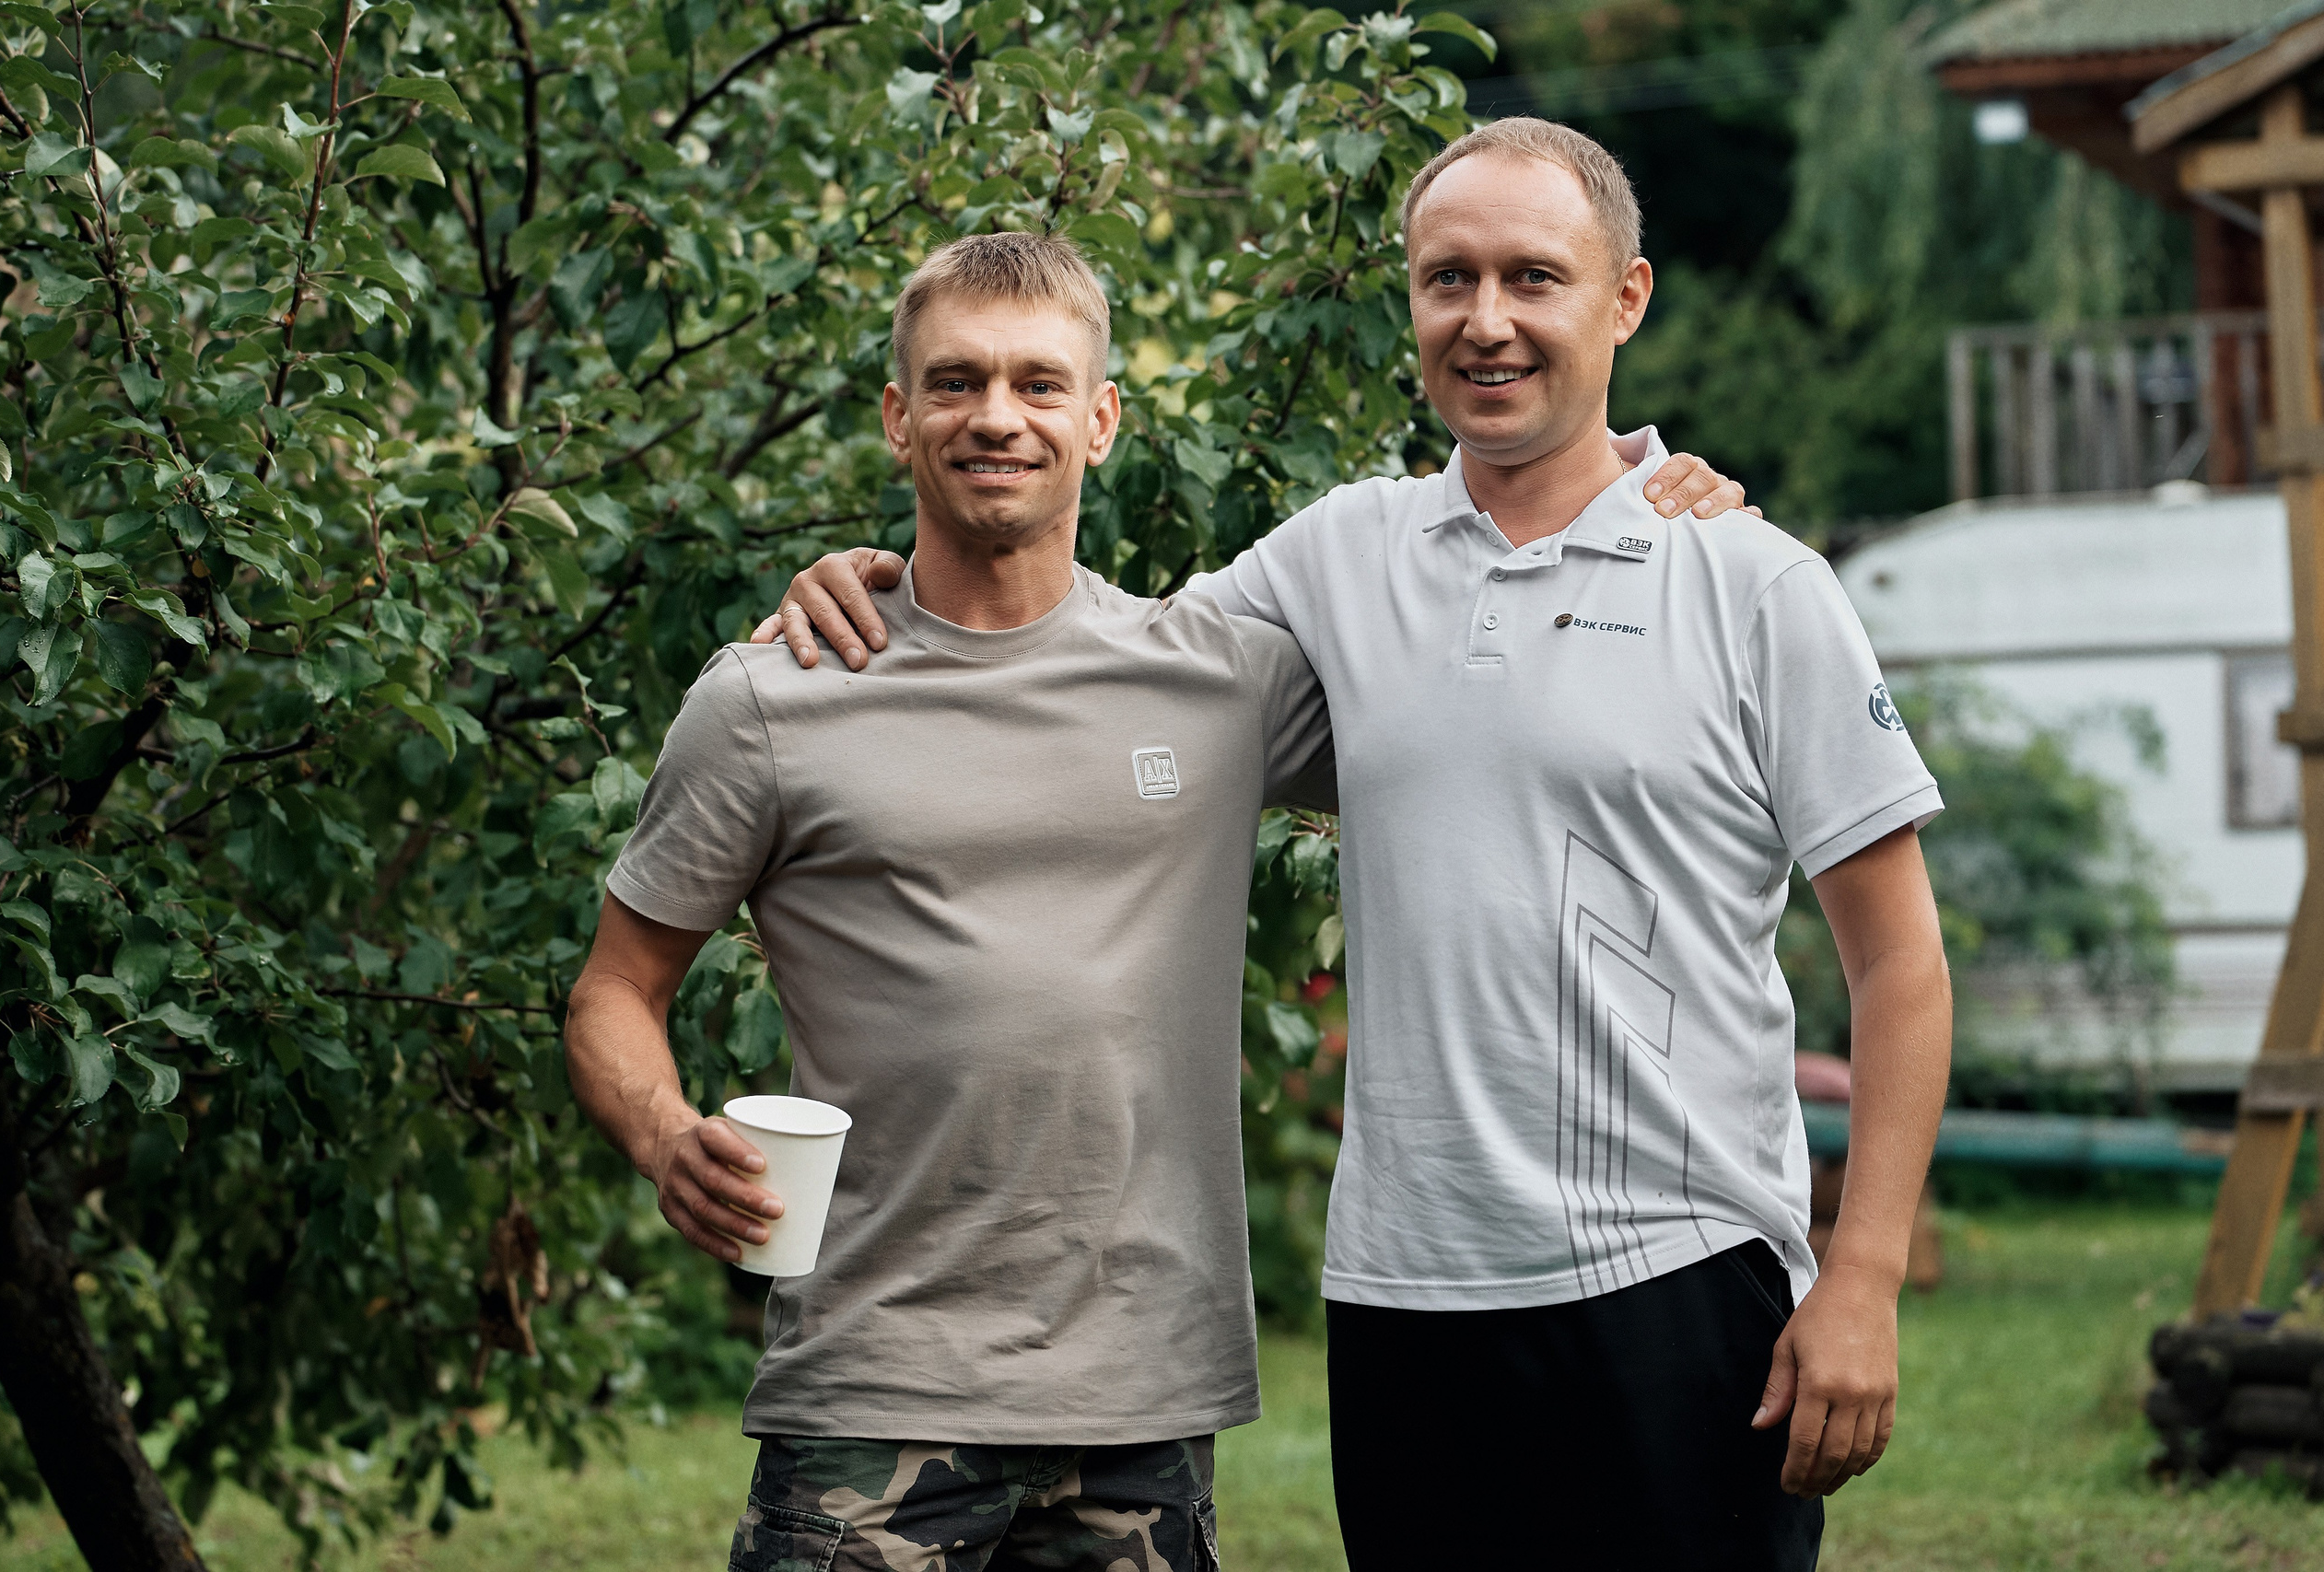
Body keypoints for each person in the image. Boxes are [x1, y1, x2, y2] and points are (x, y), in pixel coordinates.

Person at [757, 117, 1951, 1571]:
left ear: (1625, 299)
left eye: (1534, 278)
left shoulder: (1756, 585)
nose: (1488, 320)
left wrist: (1865, 1274)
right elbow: (1078, 670)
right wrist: (892, 575)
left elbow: (1899, 965)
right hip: (1408, 1297)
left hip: (1680, 1283)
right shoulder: (1337, 556)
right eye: (1450, 279)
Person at [566, 231, 1344, 1572]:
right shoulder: (773, 695)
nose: (997, 416)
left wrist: (1657, 497)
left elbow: (1483, 691)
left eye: (1040, 384)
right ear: (898, 417)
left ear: (1101, 420)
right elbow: (613, 991)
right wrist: (665, 1133)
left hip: (1143, 1401)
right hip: (873, 1391)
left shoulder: (1223, 681)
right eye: (956, 381)